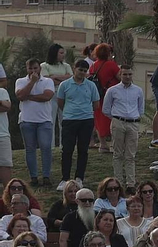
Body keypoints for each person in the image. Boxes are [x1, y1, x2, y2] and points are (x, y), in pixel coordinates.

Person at [54, 58, 101, 187]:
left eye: (85, 71)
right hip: (69, 120)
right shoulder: (65, 85)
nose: (82, 73)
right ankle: (65, 178)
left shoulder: (91, 85)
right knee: (67, 149)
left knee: (83, 149)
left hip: (86, 120)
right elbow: (60, 102)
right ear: (74, 69)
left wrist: (84, 112)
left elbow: (96, 104)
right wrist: (71, 111)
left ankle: (79, 177)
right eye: (80, 70)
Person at [15, 60, 58, 186]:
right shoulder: (21, 81)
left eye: (35, 68)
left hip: (44, 121)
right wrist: (32, 82)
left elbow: (47, 96)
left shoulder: (47, 81)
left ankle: (46, 176)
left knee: (46, 147)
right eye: (30, 69)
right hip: (27, 120)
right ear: (26, 69)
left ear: (40, 68)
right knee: (30, 149)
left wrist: (29, 97)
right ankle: (33, 177)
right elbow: (20, 96)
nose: (33, 71)